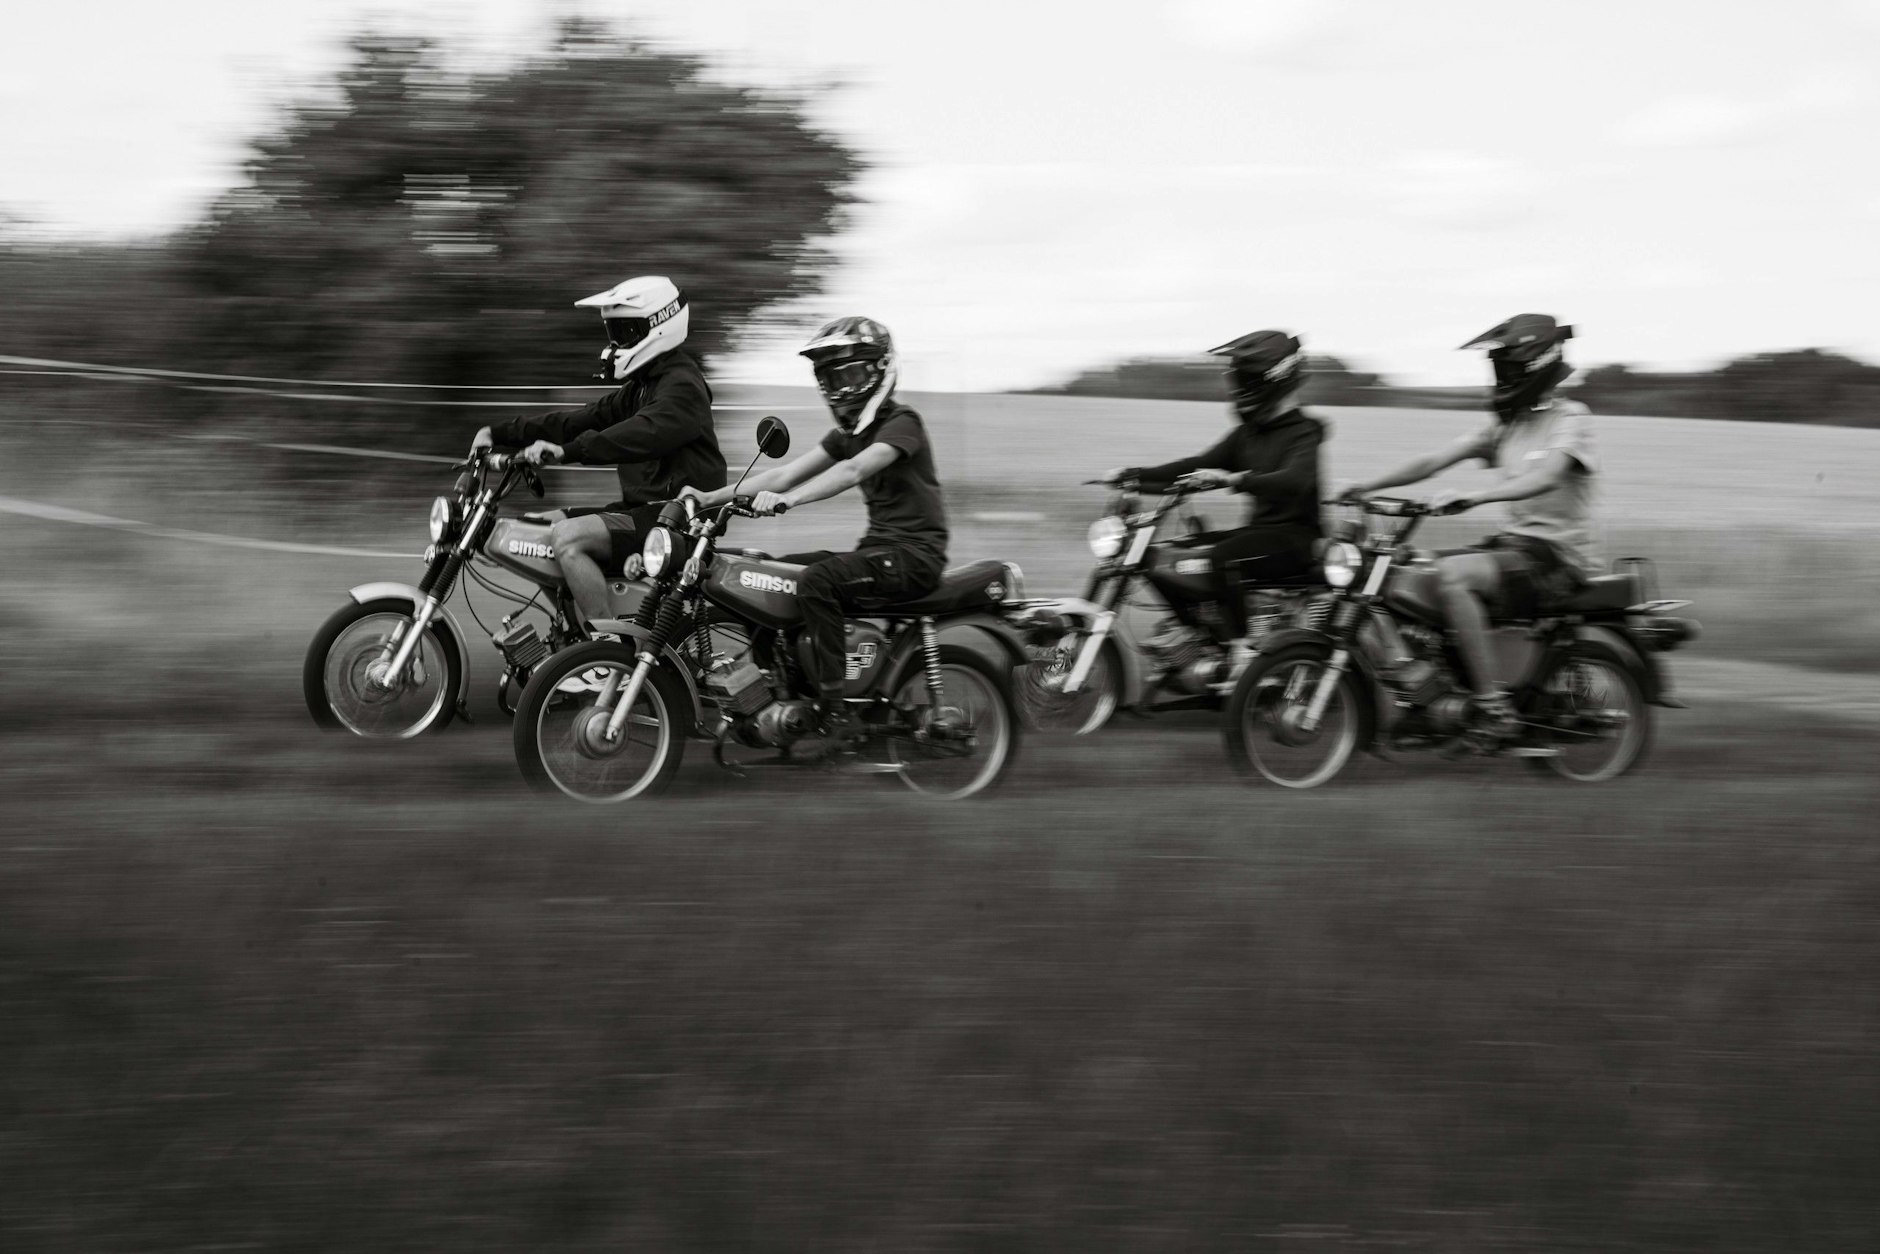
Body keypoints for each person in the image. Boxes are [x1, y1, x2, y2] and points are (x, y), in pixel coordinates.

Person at [683, 316, 946, 753]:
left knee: (817, 582)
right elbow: (784, 473)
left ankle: (833, 704)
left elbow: (854, 470)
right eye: (829, 378)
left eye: (850, 374)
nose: (839, 387)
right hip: (880, 552)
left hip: (914, 557)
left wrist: (791, 501)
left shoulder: (902, 423)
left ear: (880, 370)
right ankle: (779, 689)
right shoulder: (847, 435)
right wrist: (711, 496)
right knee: (767, 573)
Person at [1338, 313, 1600, 739]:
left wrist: (1475, 497)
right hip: (1512, 548)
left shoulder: (1573, 418)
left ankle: (1491, 705)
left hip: (1558, 558)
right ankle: (1430, 699)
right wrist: (1366, 487)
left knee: (1453, 577)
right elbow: (1433, 460)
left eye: (1506, 366)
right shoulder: (1506, 427)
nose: (1499, 376)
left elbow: (1547, 476)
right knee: (1403, 575)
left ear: (1535, 364)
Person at [470, 275, 725, 628]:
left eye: (626, 331)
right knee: (536, 529)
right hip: (642, 512)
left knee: (567, 538)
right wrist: (498, 432)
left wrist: (566, 452)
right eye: (614, 332)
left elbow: (640, 434)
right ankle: (574, 637)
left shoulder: (682, 386)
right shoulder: (642, 385)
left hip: (675, 522)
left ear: (660, 324)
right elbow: (578, 419)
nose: (617, 342)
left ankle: (605, 652)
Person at [1104, 329, 1326, 670]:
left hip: (1296, 539)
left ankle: (1241, 653)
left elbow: (1294, 481)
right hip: (1261, 534)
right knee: (1163, 557)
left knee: (1224, 557)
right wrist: (1133, 476)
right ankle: (1200, 637)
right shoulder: (1248, 434)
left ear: (1271, 380)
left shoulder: (1304, 432)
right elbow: (1194, 466)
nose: (1237, 386)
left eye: (1244, 378)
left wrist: (1233, 479)